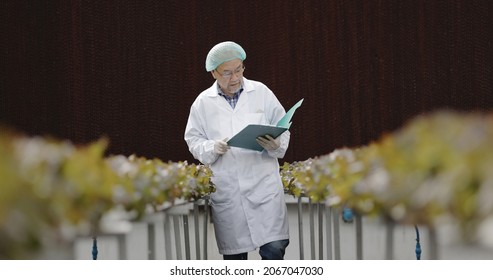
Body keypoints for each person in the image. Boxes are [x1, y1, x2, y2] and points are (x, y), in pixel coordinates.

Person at [184, 41, 290, 260]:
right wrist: (212, 147)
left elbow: (283, 125)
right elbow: (193, 140)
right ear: (213, 72)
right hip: (229, 191)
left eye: (239, 70)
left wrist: (276, 144)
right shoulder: (202, 103)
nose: (235, 78)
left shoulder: (261, 92)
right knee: (235, 261)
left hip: (264, 189)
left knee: (275, 249)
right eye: (227, 73)